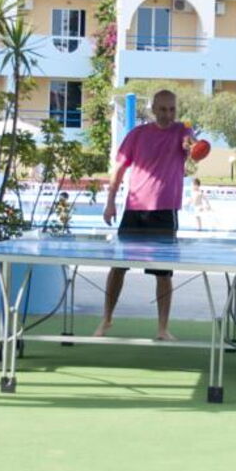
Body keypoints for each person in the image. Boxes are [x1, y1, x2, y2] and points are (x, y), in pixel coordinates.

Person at [95, 90, 198, 341]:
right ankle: (106, 319)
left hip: (165, 211)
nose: (168, 114)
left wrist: (191, 145)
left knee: (163, 273)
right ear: (153, 109)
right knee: (118, 268)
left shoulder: (182, 131)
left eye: (172, 109)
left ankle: (162, 328)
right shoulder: (137, 134)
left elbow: (191, 145)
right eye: (163, 109)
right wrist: (110, 203)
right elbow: (119, 170)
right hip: (134, 209)